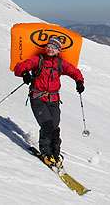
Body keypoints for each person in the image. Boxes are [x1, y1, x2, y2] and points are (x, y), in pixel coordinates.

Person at [14, 37, 85, 168]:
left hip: (53, 100)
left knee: (55, 127)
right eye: (49, 46)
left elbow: (74, 72)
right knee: (47, 124)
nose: (50, 48)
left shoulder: (60, 63)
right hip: (38, 99)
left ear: (58, 50)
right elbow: (19, 67)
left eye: (53, 47)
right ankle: (46, 152)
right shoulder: (38, 60)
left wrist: (79, 81)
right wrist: (24, 73)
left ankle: (55, 153)